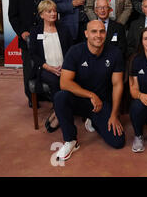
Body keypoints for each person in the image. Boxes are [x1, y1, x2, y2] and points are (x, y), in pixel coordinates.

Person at [54, 20, 126, 161]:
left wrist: (114, 114)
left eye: (101, 31)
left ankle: (92, 121)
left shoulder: (115, 53)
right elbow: (64, 83)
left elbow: (117, 85)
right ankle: (70, 140)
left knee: (118, 142)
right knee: (60, 97)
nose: (98, 35)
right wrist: (90, 95)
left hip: (101, 104)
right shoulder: (75, 51)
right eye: (94, 31)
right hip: (79, 100)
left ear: (105, 34)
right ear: (86, 34)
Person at [8, 0, 51, 107]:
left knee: (44, 65)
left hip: (45, 36)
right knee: (30, 67)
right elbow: (12, 15)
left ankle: (42, 93)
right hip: (27, 36)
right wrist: (22, 32)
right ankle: (31, 97)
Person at [29, 0, 73, 132]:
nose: (53, 14)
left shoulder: (64, 29)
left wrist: (65, 67)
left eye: (54, 11)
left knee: (68, 79)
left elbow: (71, 50)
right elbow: (33, 55)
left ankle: (57, 112)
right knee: (56, 81)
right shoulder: (36, 31)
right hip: (44, 68)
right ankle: (60, 113)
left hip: (64, 67)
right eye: (49, 11)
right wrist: (49, 68)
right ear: (42, 14)